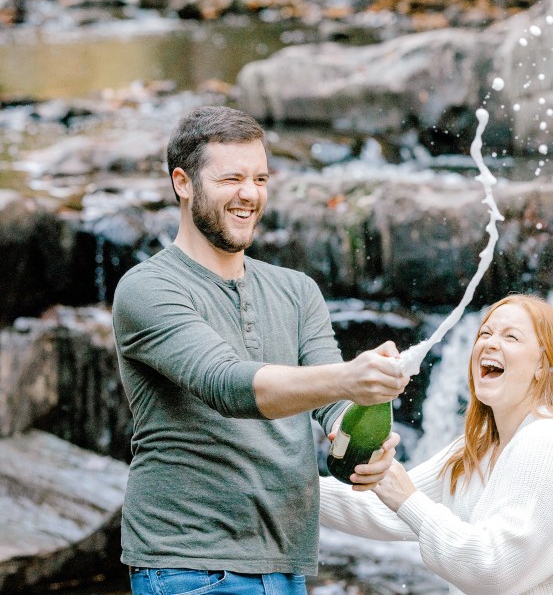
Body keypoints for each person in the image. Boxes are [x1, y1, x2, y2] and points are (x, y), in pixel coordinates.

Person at [112, 105, 408, 595]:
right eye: (232, 178)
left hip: (287, 562)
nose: (250, 194)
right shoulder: (147, 289)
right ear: (183, 183)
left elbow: (334, 402)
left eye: (260, 178)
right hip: (191, 566)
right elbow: (228, 384)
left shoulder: (297, 290)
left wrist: (360, 433)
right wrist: (349, 378)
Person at [319, 294, 553, 595]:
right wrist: (281, 481)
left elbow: (494, 570)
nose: (490, 343)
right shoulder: (476, 449)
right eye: (485, 333)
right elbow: (379, 509)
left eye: (511, 337)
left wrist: (405, 497)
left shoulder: (551, 442)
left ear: (543, 366)